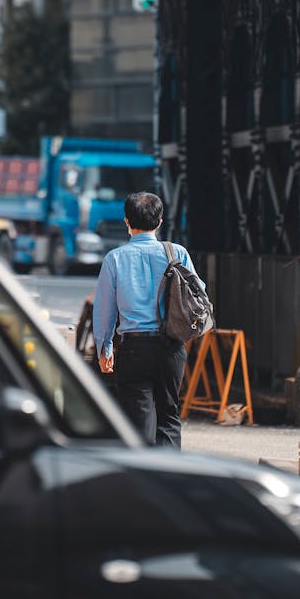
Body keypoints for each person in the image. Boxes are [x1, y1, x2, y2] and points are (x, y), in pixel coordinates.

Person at [92, 191, 205, 448]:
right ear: (160, 222)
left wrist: (104, 347)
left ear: (126, 222)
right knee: (169, 415)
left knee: (138, 419)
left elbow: (104, 309)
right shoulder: (177, 253)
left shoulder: (115, 259)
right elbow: (199, 293)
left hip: (134, 349)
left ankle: (144, 478)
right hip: (172, 347)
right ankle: (169, 479)